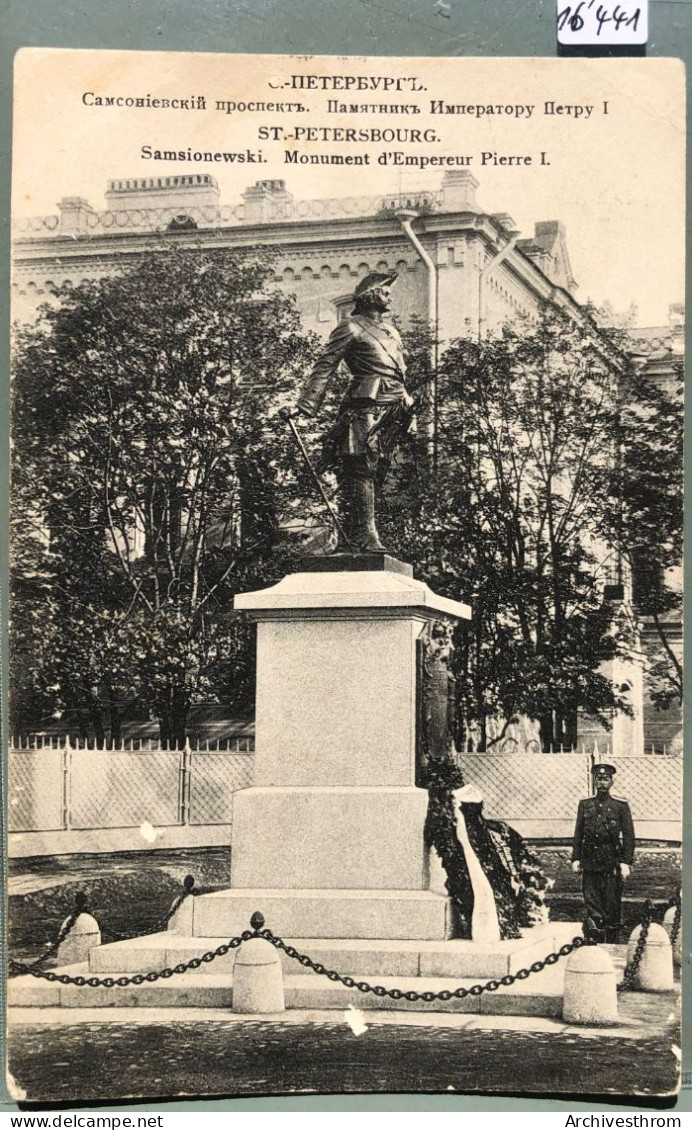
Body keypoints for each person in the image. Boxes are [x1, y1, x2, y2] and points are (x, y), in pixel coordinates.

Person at [287, 270, 414, 553]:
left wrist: (408, 402)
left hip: (393, 409)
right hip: (364, 407)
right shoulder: (351, 327)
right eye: (383, 291)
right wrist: (305, 406)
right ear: (369, 296)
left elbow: (400, 373)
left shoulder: (392, 332)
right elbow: (326, 366)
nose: (388, 295)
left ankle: (355, 533)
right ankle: (365, 535)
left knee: (382, 470)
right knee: (361, 468)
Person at [571, 762, 635, 943]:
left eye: (605, 779)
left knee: (612, 903)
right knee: (591, 901)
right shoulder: (585, 804)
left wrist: (625, 862)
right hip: (589, 860)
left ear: (612, 782)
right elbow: (578, 833)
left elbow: (629, 835)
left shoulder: (620, 805)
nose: (602, 783)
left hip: (611, 860)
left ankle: (612, 941)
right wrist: (575, 858)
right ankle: (594, 940)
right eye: (598, 779)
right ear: (594, 781)